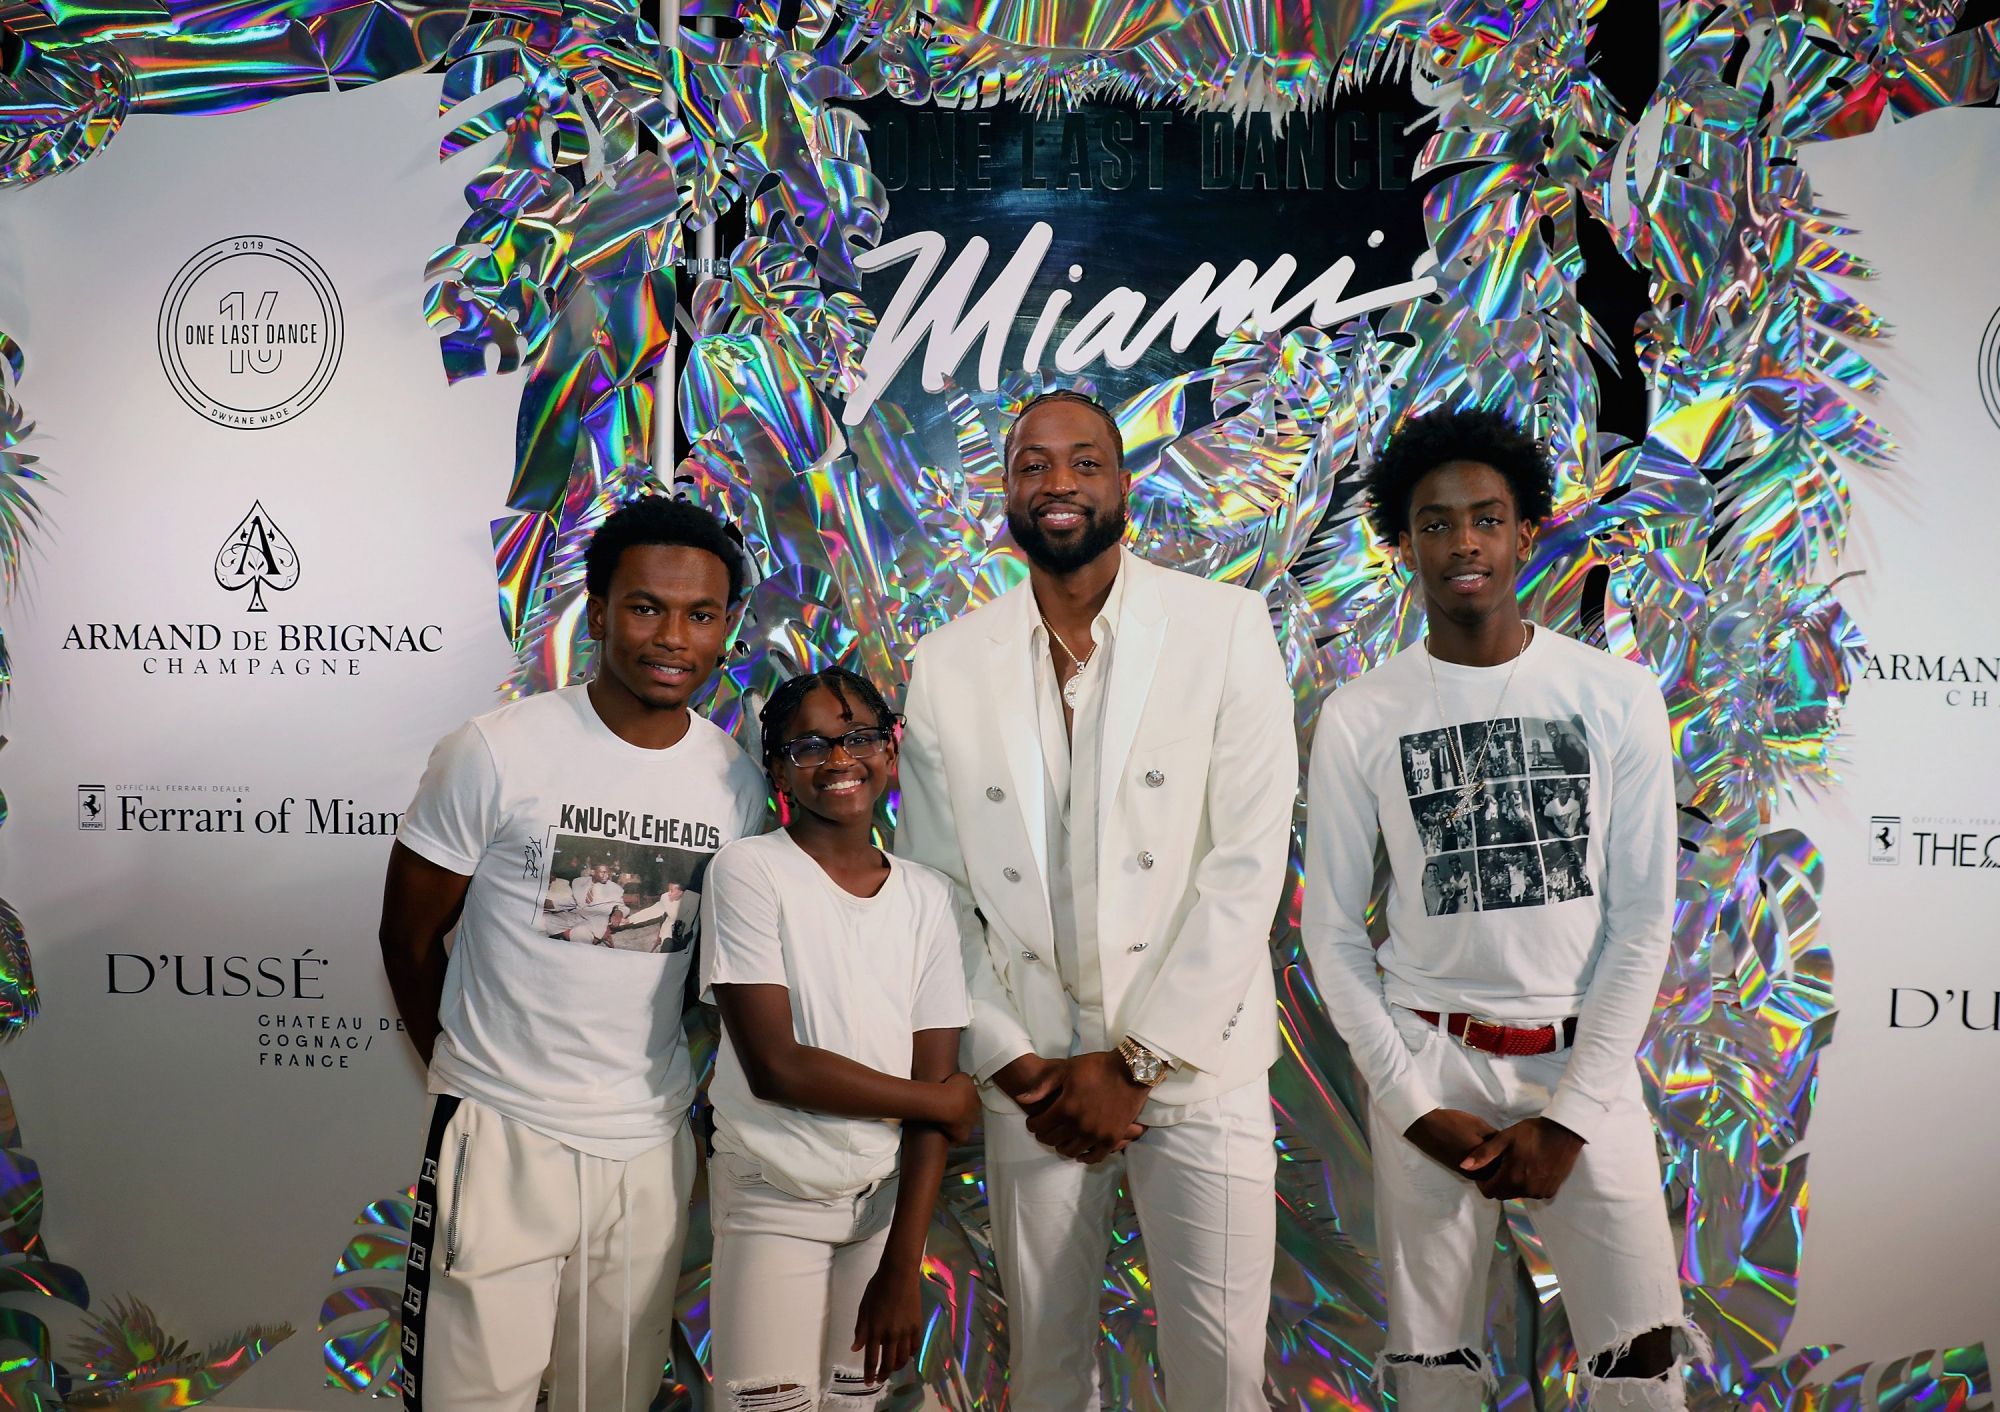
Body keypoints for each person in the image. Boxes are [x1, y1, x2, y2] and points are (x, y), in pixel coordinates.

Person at [896, 389, 1297, 1410]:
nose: (1058, 482)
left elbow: (1247, 862)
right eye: (1032, 463)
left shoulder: (1221, 626)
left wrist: (1137, 1063)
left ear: (1122, 484)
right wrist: (1008, 1054)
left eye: (1083, 461)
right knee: (1044, 1370)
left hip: (1196, 1062)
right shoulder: (948, 663)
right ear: (1005, 491)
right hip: (1032, 1075)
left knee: (1219, 1374)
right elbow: (937, 887)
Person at [1301, 408, 1696, 1410]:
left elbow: (1642, 918)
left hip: (1580, 1058)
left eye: (1485, 518)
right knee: (1432, 1366)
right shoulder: (1361, 715)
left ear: (1526, 532)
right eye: (1434, 524)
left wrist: (1570, 1117)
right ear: (1402, 547)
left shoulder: (1614, 695)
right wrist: (1408, 1101)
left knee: (1641, 1361)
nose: (1463, 542)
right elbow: (1331, 931)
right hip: (1429, 1059)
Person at [378, 497, 767, 1412]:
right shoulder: (495, 751)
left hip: (647, 1144)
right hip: (500, 1130)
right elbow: (407, 936)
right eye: (646, 608)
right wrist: (469, 1077)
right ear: (597, 613)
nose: (672, 638)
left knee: (613, 1398)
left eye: (701, 615)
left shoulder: (736, 782)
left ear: (725, 630)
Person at [702, 667, 977, 1410]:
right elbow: (777, 1067)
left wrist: (902, 1265)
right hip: (772, 1199)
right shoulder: (750, 872)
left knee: (853, 1405)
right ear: (778, 770)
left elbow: (937, 1082)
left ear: (891, 750)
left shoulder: (927, 896)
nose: (839, 759)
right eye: (811, 746)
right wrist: (940, 1102)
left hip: (883, 1213)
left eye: (859, 737)